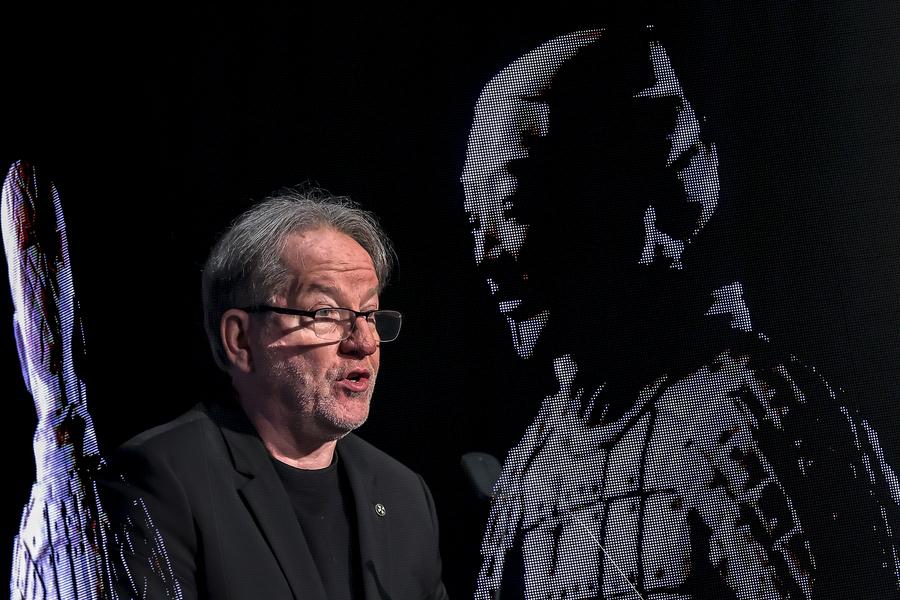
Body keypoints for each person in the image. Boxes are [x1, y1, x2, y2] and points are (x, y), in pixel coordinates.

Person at [462, 26, 900, 599]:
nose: (490, 254)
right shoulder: (536, 464)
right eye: (478, 219)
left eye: (518, 203)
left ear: (627, 192)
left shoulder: (745, 419)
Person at [99, 189, 448, 600]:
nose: (365, 342)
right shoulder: (162, 479)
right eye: (327, 314)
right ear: (241, 339)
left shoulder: (404, 494)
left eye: (369, 314)